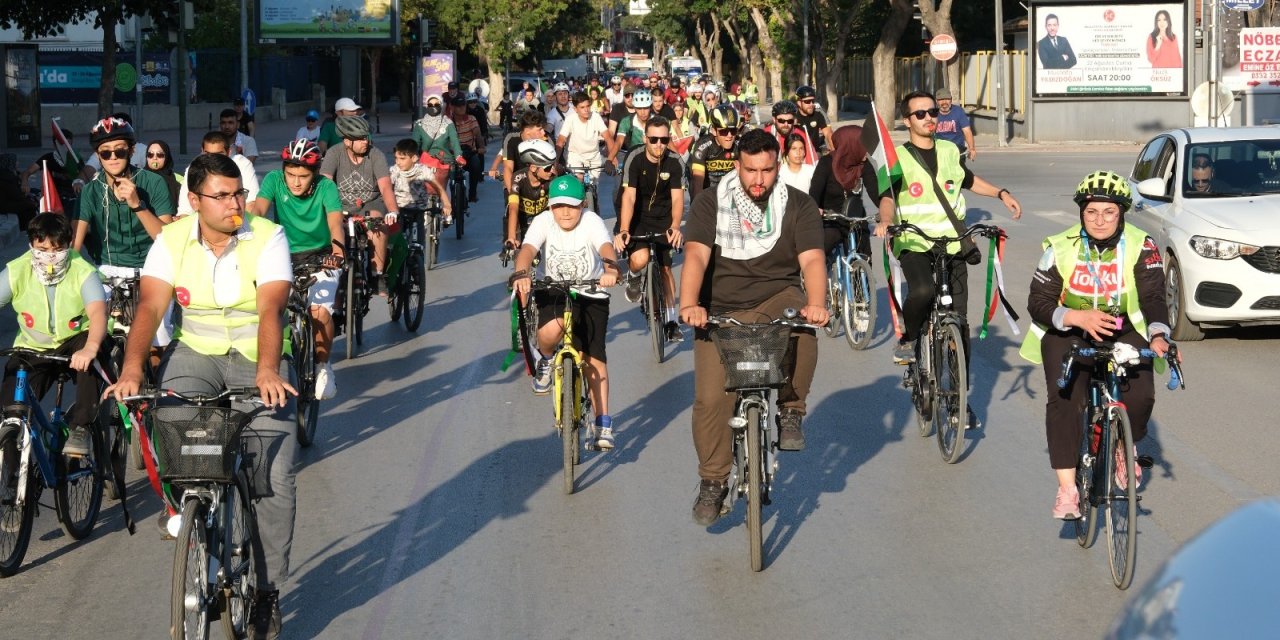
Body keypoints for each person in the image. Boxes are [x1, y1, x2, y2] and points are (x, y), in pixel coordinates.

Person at [108, 153, 298, 640]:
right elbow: (150, 307)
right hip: (196, 353)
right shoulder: (171, 240)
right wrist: (131, 369)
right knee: (175, 435)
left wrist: (269, 370)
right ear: (194, 201)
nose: (236, 204)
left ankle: (266, 591)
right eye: (222, 196)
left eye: (238, 193)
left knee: (273, 478)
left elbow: (272, 309)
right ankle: (191, 514)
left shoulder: (266, 235)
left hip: (261, 358)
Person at [678, 129, 829, 525]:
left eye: (766, 170)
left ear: (778, 166)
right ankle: (713, 482)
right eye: (750, 170)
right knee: (711, 401)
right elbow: (695, 256)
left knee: (800, 324)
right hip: (719, 308)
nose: (758, 180)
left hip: (776, 297)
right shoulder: (711, 203)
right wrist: (689, 303)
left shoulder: (798, 204)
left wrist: (816, 303)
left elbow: (812, 260)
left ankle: (791, 411)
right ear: (737, 165)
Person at [1018, 171, 1176, 519]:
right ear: (1081, 213)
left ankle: (1124, 447)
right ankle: (1067, 489)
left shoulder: (1141, 244)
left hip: (1123, 327)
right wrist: (1077, 317)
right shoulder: (1060, 246)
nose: (1099, 220)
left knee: (1141, 395)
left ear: (1121, 213)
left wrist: (1159, 334)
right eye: (1091, 212)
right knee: (1065, 399)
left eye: (1109, 212)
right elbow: (1038, 301)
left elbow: (1152, 295)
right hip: (1069, 330)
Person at [872, 90, 1022, 366]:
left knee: (959, 320)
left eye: (932, 112)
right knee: (923, 292)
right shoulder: (898, 158)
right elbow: (887, 198)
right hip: (914, 241)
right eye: (920, 114)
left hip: (954, 242)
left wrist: (1002, 194)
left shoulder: (950, 150)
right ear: (907, 121)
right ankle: (909, 338)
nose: (928, 118)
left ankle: (959, 402)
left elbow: (969, 180)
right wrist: (886, 221)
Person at [510, 175, 621, 449]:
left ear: (583, 204)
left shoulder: (592, 221)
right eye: (559, 206)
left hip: (591, 291)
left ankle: (603, 421)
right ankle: (546, 359)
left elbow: (606, 248)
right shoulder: (543, 221)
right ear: (550, 207)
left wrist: (610, 269)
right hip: (553, 289)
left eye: (572, 205)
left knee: (594, 356)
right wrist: (521, 273)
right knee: (552, 328)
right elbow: (527, 250)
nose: (566, 212)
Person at [1, 212, 108, 457]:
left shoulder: (82, 271)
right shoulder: (17, 270)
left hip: (74, 343)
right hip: (32, 347)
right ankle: (13, 472)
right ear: (31, 246)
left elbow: (98, 314)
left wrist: (90, 347)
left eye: (57, 249)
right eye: (42, 248)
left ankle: (80, 426)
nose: (50, 256)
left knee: (91, 361)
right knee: (9, 410)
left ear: (68, 247)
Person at [248, 139, 344, 400]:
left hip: (322, 256)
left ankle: (324, 366)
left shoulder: (326, 187)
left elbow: (335, 222)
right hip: (282, 254)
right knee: (270, 308)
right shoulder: (273, 180)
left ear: (314, 173)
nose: (295, 182)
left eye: (303, 176)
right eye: (291, 174)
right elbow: (258, 209)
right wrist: (244, 227)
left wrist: (337, 251)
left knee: (319, 310)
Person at [613, 116, 685, 341]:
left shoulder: (675, 162)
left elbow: (678, 199)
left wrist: (675, 226)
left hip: (664, 217)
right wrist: (624, 229)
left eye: (664, 140)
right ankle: (634, 276)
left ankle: (672, 321)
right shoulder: (634, 158)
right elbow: (629, 196)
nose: (659, 145)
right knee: (641, 258)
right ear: (645, 138)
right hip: (636, 216)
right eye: (653, 139)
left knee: (665, 268)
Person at [320, 115, 397, 290]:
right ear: (347, 141)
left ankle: (376, 274)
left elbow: (385, 187)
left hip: (370, 204)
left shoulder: (375, 154)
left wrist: (392, 211)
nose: (366, 141)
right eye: (361, 138)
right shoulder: (334, 153)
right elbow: (325, 184)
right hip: (341, 206)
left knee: (378, 226)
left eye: (367, 136)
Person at [809, 125, 870, 257]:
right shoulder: (826, 163)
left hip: (855, 217)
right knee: (821, 250)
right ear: (851, 146)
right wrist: (816, 209)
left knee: (864, 252)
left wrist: (886, 214)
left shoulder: (863, 164)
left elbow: (878, 192)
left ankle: (863, 274)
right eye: (864, 144)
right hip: (831, 218)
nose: (867, 150)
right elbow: (814, 192)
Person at [176, 131, 260, 217]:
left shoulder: (242, 164)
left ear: (229, 152)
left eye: (218, 155)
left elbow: (251, 205)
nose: (213, 159)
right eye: (208, 154)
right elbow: (185, 211)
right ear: (202, 151)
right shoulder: (194, 168)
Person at [506, 139, 560, 248]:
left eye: (553, 165)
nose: (552, 170)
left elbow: (557, 206)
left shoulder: (553, 177)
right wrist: (511, 237)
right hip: (521, 218)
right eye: (548, 168)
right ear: (533, 168)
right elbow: (513, 208)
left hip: (543, 217)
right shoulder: (518, 178)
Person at [391, 138, 453, 227]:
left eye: (402, 159)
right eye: (396, 158)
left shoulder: (422, 170)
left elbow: (438, 188)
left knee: (421, 236)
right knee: (396, 235)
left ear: (414, 158)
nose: (398, 162)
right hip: (400, 210)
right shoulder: (394, 171)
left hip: (419, 210)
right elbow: (386, 189)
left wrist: (447, 204)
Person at [557, 91, 613, 184]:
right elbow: (561, 141)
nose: (586, 110)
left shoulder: (596, 117)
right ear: (575, 109)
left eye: (588, 106)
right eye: (582, 107)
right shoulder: (570, 119)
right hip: (575, 157)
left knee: (593, 188)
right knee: (579, 181)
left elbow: (608, 137)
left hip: (594, 158)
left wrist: (612, 159)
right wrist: (556, 162)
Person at [19, 128, 83, 207]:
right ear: (55, 145)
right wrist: (24, 182)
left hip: (72, 197)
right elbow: (28, 171)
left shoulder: (76, 159)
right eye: (62, 145)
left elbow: (84, 176)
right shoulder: (48, 158)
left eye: (68, 145)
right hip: (53, 196)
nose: (66, 148)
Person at [688, 105, 741, 199]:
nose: (729, 136)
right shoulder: (703, 145)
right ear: (714, 131)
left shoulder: (739, 144)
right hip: (707, 193)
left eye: (733, 131)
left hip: (729, 194)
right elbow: (698, 181)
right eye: (724, 131)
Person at [500, 110, 551, 195]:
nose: (544, 133)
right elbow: (508, 168)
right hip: (516, 181)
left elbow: (553, 168)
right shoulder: (511, 138)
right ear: (527, 131)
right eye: (540, 129)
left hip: (540, 183)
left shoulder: (547, 139)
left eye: (544, 129)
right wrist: (512, 194)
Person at [413, 94, 464, 173]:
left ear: (441, 106)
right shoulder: (419, 124)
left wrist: (458, 156)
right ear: (426, 107)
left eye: (436, 105)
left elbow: (455, 141)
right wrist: (413, 156)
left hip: (445, 161)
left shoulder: (448, 123)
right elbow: (414, 144)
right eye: (430, 105)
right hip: (426, 162)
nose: (433, 107)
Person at [450, 96, 483, 202]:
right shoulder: (448, 121)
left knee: (476, 165)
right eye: (458, 106)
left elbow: (478, 135)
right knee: (446, 172)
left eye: (463, 105)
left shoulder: (471, 119)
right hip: (453, 154)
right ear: (453, 107)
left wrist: (481, 147)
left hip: (469, 152)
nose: (461, 108)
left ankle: (472, 194)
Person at [764, 101, 817, 165]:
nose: (786, 124)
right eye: (781, 121)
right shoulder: (764, 135)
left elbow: (812, 163)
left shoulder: (801, 136)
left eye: (790, 121)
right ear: (774, 119)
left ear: (794, 120)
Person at [934, 88, 976, 163]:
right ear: (936, 101)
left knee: (959, 173)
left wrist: (972, 148)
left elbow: (967, 131)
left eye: (947, 99)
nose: (944, 102)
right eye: (941, 99)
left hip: (957, 151)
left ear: (951, 100)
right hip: (940, 151)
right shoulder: (933, 113)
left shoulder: (958, 111)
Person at [795, 85, 834, 155]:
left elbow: (828, 133)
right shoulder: (793, 116)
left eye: (813, 101)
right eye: (807, 101)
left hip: (815, 151)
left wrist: (835, 153)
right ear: (799, 103)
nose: (811, 104)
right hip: (797, 153)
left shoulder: (818, 113)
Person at [144, 139, 182, 209]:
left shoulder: (177, 179)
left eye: (160, 155)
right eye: (150, 155)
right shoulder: (140, 177)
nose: (154, 158)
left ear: (167, 157)